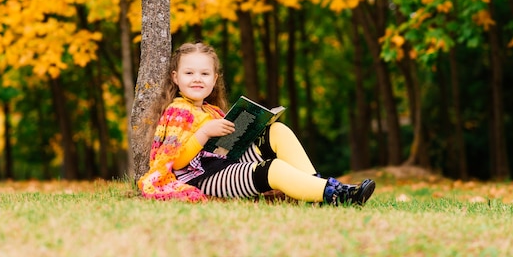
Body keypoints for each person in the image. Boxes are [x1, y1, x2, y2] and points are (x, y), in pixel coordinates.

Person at [137, 41, 375, 205]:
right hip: (200, 178)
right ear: (176, 78)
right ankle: (334, 195)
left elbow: (225, 148)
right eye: (189, 73)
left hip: (221, 164)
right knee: (272, 169)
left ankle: (316, 186)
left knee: (277, 131)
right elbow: (175, 161)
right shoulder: (178, 110)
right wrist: (205, 133)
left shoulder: (212, 110)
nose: (197, 79)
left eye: (205, 74)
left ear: (215, 79)